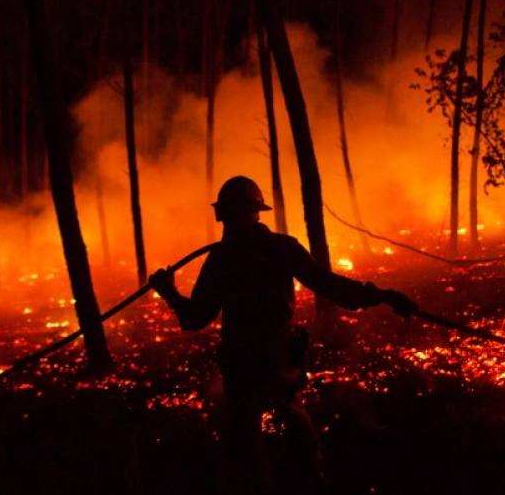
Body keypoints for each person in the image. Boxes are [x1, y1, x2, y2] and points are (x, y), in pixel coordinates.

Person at [148, 175, 418, 495]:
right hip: (278, 361)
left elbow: (194, 319)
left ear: (226, 214)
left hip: (242, 364)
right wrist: (382, 295)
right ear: (256, 211)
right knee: (299, 439)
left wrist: (169, 292)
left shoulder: (221, 259)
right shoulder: (280, 248)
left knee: (247, 450)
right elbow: (331, 286)